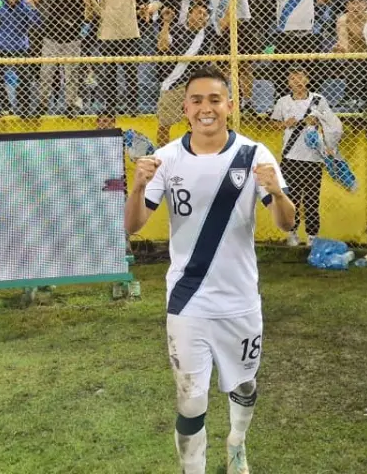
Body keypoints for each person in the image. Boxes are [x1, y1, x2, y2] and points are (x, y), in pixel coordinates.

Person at [124, 64, 297, 474]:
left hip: (240, 299)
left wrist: (275, 191)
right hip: (188, 300)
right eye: (197, 100)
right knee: (190, 397)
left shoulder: (255, 155)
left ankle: (236, 443)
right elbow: (131, 226)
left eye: (215, 100)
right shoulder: (164, 159)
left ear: (230, 106)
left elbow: (287, 223)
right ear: (185, 108)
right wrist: (135, 185)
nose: (206, 109)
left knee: (244, 385)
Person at [269, 65, 343, 247]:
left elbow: (332, 124)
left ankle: (312, 236)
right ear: (288, 83)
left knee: (311, 199)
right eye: (293, 78)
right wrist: (286, 124)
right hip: (290, 157)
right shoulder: (283, 102)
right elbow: (273, 124)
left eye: (300, 77)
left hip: (313, 157)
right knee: (291, 198)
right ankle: (292, 233)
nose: (297, 81)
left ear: (307, 79)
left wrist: (318, 120)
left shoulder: (319, 100)